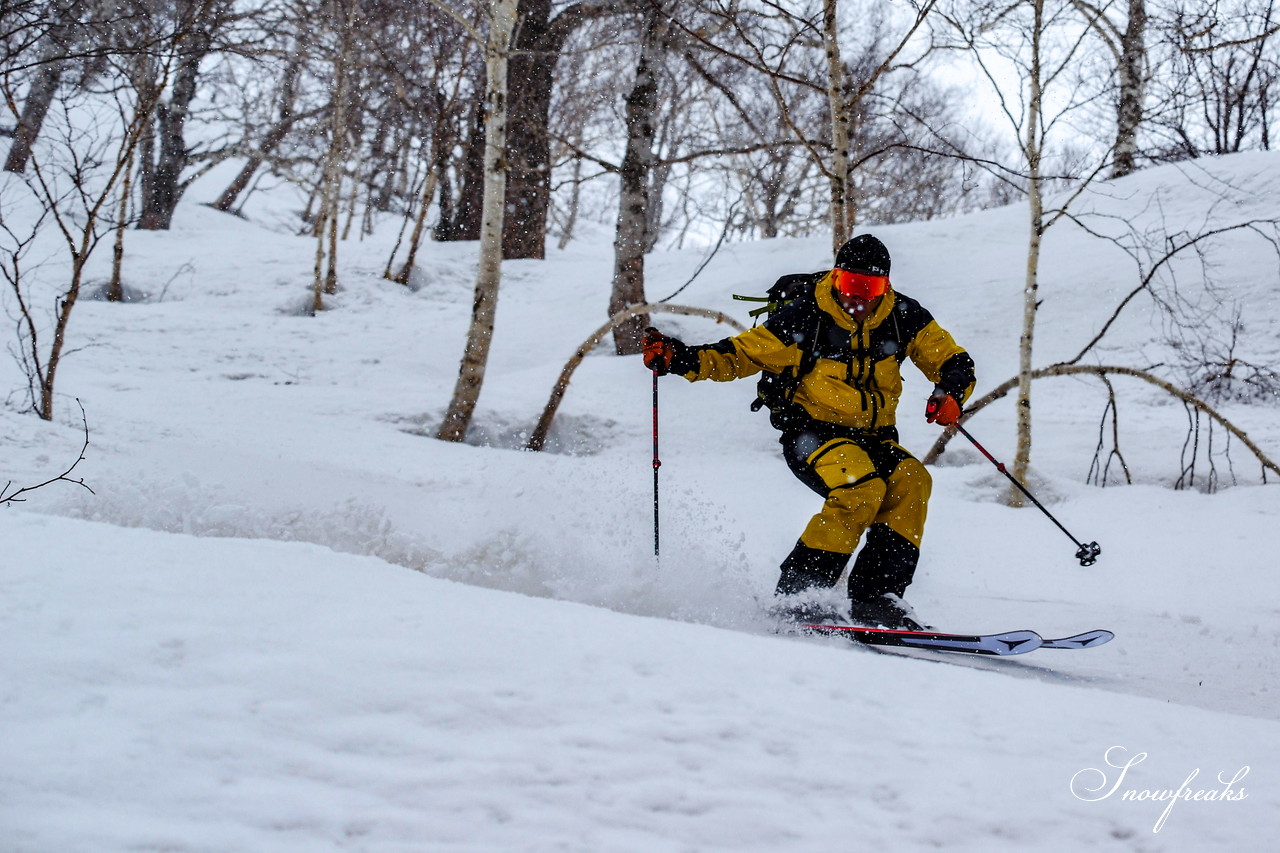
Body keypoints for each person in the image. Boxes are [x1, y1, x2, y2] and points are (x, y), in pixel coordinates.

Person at [641, 234, 975, 630]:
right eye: (850, 285)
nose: (858, 297)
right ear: (835, 278)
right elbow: (739, 355)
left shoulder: (904, 316)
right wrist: (679, 359)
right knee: (861, 490)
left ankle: (877, 599)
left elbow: (953, 360)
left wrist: (950, 392)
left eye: (869, 288)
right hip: (814, 434)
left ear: (885, 285)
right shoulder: (804, 317)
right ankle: (800, 595)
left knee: (911, 480)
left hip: (876, 438)